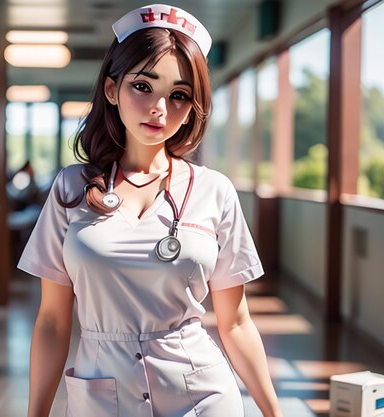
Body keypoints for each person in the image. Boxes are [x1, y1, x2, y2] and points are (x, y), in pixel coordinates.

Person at [18, 4, 283, 417]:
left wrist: (274, 412)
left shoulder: (214, 191)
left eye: (178, 95)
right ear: (112, 90)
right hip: (103, 398)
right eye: (143, 86)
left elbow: (235, 323)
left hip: (202, 397)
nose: (160, 107)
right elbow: (52, 320)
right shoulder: (71, 188)